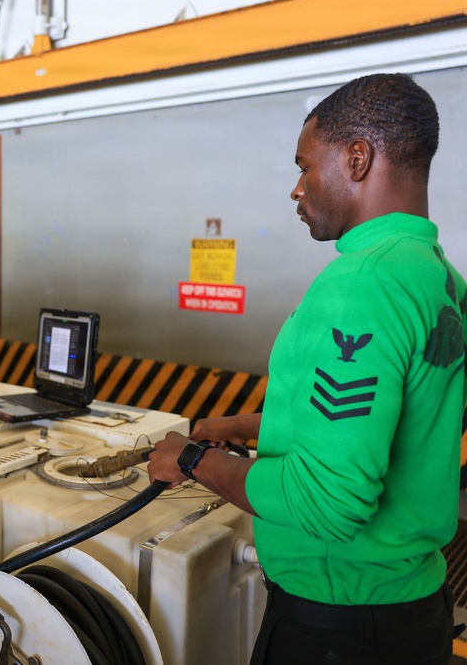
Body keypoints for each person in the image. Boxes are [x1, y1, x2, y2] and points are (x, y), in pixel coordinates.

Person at [148, 73, 467, 665]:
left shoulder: (361, 284)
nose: (297, 189)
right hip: (414, 607)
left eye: (305, 167)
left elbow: (328, 503)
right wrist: (251, 427)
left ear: (357, 158)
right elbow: (389, 419)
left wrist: (191, 460)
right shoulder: (437, 276)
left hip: (338, 624)